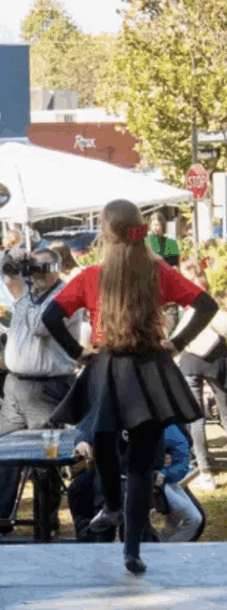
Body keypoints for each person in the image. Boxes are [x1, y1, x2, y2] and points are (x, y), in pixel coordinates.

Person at [41, 199, 218, 575]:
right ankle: (132, 550)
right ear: (139, 228)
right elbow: (205, 305)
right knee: (141, 463)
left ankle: (112, 509)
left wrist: (78, 351)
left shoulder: (92, 276)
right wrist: (178, 343)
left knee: (105, 441)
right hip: (151, 369)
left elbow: (51, 315)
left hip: (107, 366)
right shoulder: (158, 271)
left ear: (106, 231)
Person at [0, 248, 80, 537]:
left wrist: (28, 290)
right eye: (33, 269)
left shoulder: (66, 296)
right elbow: (4, 274)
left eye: (43, 268)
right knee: (5, 453)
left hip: (48, 386)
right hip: (15, 384)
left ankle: (46, 519)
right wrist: (12, 258)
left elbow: (41, 326)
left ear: (57, 267)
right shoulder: (28, 291)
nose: (37, 274)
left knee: (45, 456)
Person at [174, 259, 227, 491]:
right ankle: (204, 469)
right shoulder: (209, 302)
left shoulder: (184, 302)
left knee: (198, 418)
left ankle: (204, 471)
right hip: (212, 360)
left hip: (196, 361)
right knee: (210, 415)